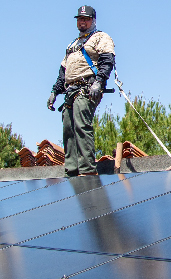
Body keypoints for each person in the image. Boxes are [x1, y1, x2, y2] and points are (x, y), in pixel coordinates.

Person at [47, 5, 115, 177]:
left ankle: (87, 170)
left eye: (85, 18)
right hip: (70, 90)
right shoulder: (72, 44)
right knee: (68, 129)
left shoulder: (101, 37)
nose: (82, 21)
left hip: (87, 88)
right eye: (79, 19)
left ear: (93, 20)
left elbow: (107, 61)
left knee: (81, 125)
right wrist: (55, 92)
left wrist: (99, 82)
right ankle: (72, 170)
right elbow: (63, 71)